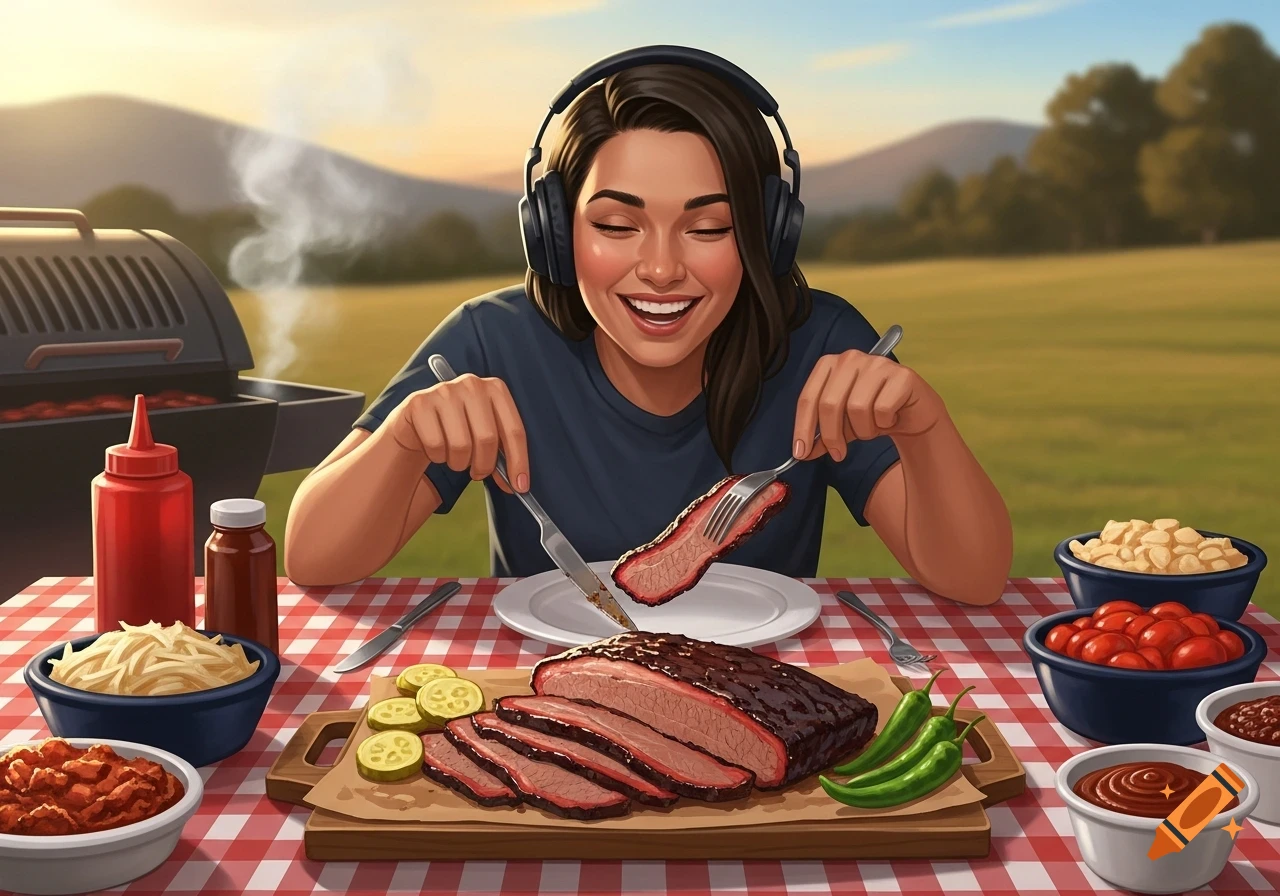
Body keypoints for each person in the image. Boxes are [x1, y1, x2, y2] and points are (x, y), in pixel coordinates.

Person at [284, 47, 1013, 605]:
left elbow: (974, 580)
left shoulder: (821, 342)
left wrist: (924, 425)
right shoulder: (490, 339)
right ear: (556, 233)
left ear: (765, 236)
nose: (661, 270)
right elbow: (313, 559)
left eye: (709, 227)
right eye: (616, 225)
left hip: (771, 688)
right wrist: (402, 440)